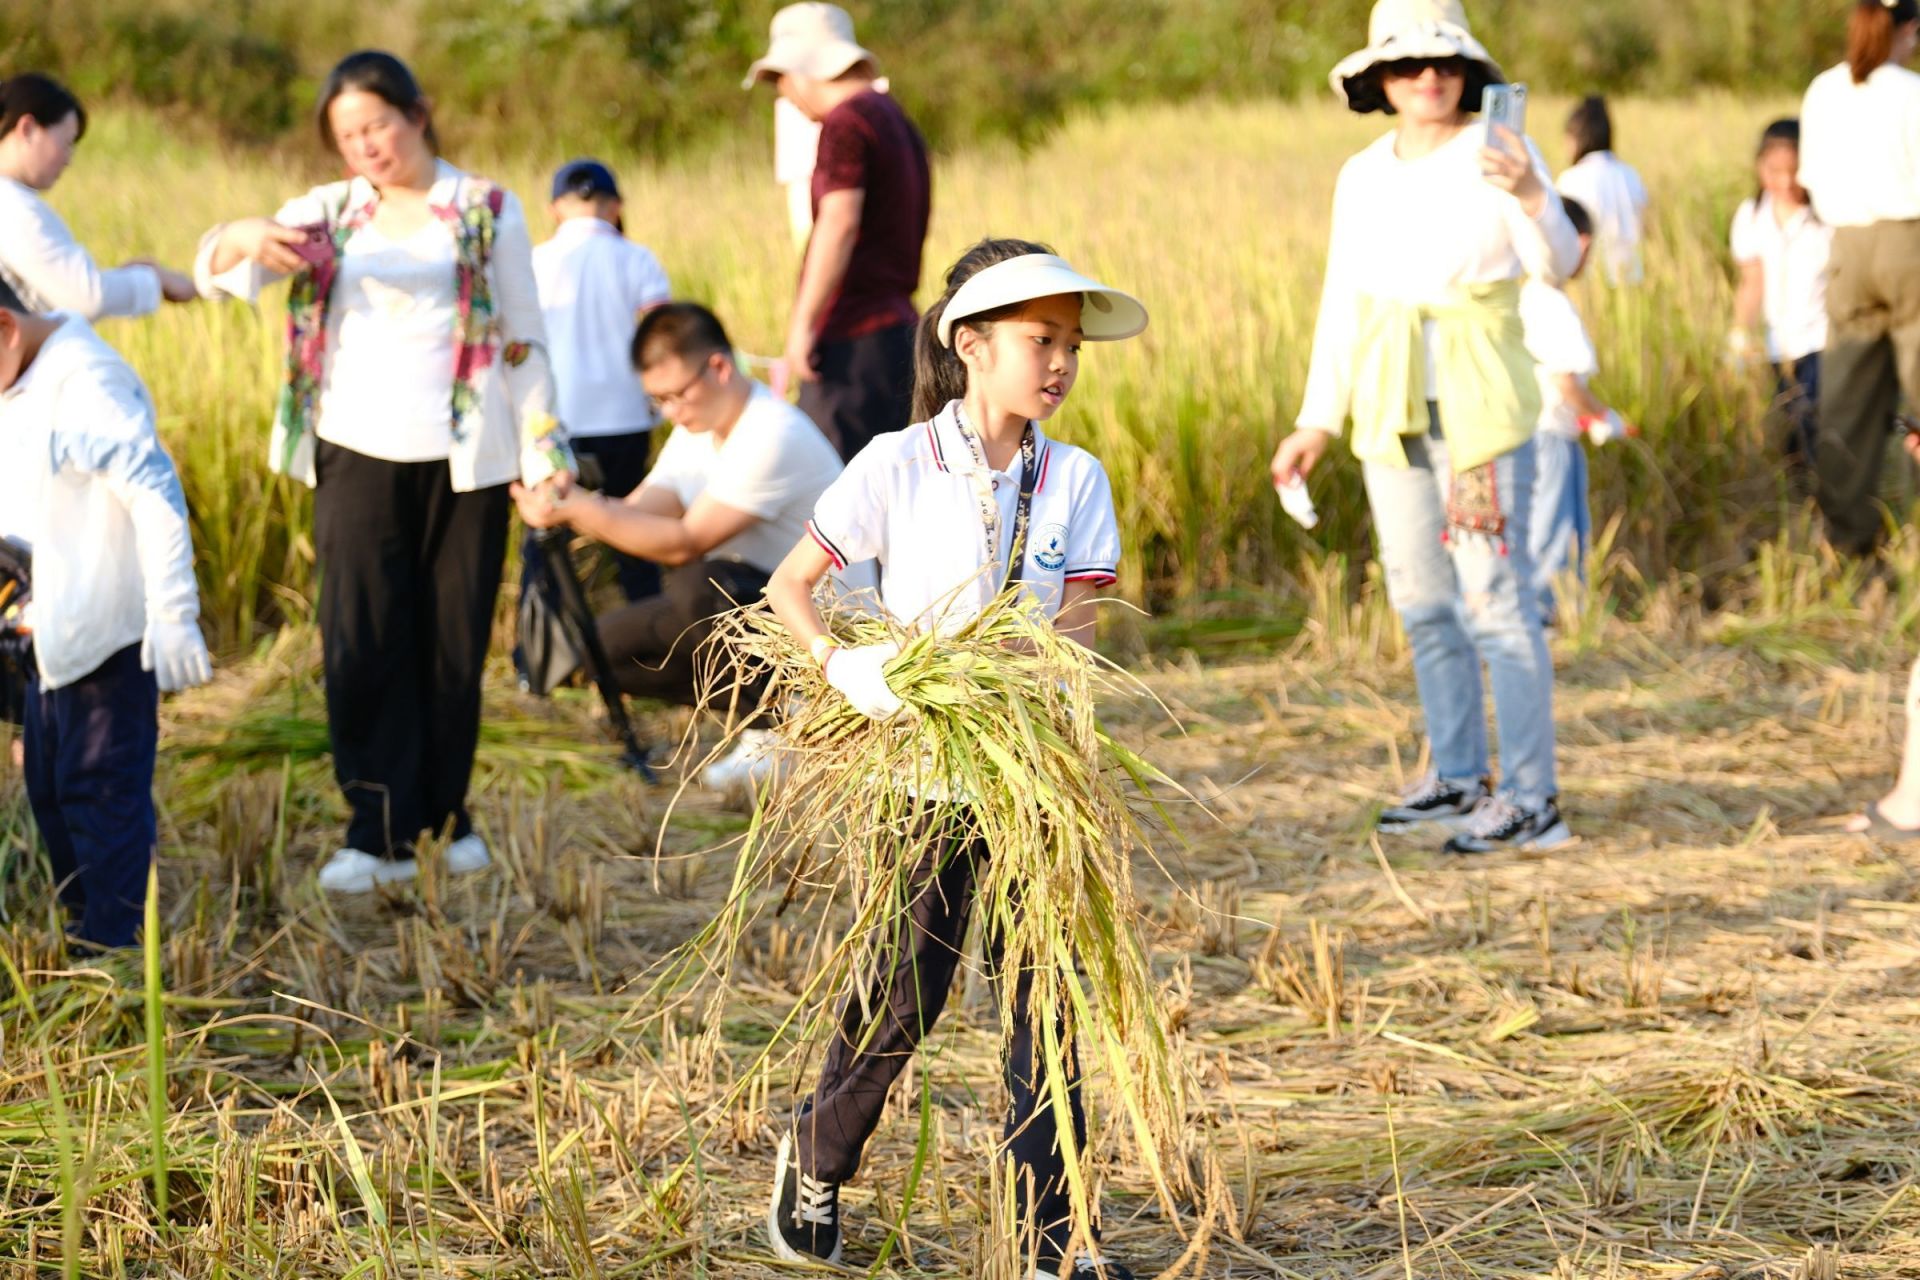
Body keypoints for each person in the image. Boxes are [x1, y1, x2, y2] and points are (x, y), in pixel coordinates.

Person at [759, 238, 1143, 1278]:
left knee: (1043, 1004)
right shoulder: (896, 461)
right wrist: (847, 669)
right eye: (1039, 341)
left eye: (1071, 345)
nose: (1060, 362)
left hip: (1034, 780)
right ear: (970, 344)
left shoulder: (1077, 477)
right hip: (919, 776)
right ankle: (819, 1150)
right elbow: (790, 587)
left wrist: (1036, 667)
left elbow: (1086, 620)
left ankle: (1050, 1238)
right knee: (905, 994)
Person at [194, 51, 574, 895]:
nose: (366, 145)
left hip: (469, 457)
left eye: (377, 125)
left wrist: (547, 455)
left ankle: (446, 815)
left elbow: (523, 338)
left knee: (453, 638)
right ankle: (376, 829)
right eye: (347, 134)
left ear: (419, 112)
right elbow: (214, 274)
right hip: (354, 446)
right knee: (362, 637)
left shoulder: (487, 209)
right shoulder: (327, 213)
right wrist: (237, 235)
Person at [1269, 0, 1582, 854]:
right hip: (1387, 397)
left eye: (1444, 63)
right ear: (1380, 80)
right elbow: (1343, 299)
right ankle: (1455, 774)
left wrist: (1527, 189)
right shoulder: (1363, 173)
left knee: (1497, 603)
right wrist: (1315, 420)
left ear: (1469, 71)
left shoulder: (1501, 153)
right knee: (1424, 599)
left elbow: (1560, 263)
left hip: (1482, 398)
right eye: (1408, 66)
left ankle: (1530, 797)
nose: (1429, 78)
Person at [511, 302, 843, 792]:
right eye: (658, 401)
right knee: (600, 653)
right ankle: (775, 713)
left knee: (697, 581)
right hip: (750, 607)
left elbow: (684, 542)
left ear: (719, 367)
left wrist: (580, 507)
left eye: (677, 396)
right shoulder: (698, 426)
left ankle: (779, 729)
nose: (670, 412)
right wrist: (563, 496)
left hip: (822, 619)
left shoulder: (773, 432)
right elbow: (641, 510)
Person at [0, 279, 213, 951]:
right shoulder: (22, 372)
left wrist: (172, 611)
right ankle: (82, 927)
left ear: (5, 327)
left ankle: (117, 953)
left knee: (100, 796)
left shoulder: (86, 383)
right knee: (50, 790)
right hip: (43, 635)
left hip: (103, 640)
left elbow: (152, 487)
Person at [745, 2, 931, 463]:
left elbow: (839, 221)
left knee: (830, 497)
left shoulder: (846, 123)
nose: (785, 97)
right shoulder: (898, 120)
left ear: (802, 69)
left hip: (852, 340)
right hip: (900, 336)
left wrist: (803, 328)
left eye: (781, 82)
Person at [1799, 0, 1920, 556]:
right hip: (1909, 244)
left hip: (1845, 249)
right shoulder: (1910, 92)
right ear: (1910, 28)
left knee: (1847, 401)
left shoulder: (1823, 90)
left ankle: (1846, 546)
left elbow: (1810, 181)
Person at [528, 157, 671, 607]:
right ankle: (648, 647)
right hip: (626, 418)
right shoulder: (637, 258)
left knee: (546, 540)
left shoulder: (535, 261)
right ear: (615, 207)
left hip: (553, 425)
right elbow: (661, 337)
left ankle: (537, 660)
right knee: (634, 540)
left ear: (555, 209)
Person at [0, 74, 197, 320]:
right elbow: (86, 298)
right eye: (65, 143)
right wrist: (153, 279)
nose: (68, 159)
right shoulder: (13, 208)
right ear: (27, 129)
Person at [1522, 196, 1630, 624]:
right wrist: (1604, 415)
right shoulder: (1554, 304)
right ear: (1579, 244)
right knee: (1555, 529)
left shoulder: (1526, 296)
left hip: (1534, 429)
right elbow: (1568, 382)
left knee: (1548, 525)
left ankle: (1554, 612)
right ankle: (1544, 615)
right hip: (1553, 438)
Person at [1729, 119, 1832, 465]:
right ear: (1760, 167)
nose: (1786, 182)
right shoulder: (1750, 216)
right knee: (1791, 423)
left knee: (1813, 421)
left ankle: (1823, 501)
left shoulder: (1827, 218)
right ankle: (1800, 499)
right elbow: (1752, 282)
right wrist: (1740, 335)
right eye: (1776, 171)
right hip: (1778, 346)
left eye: (1795, 171)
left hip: (1821, 339)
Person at [1555, 95, 1648, 286]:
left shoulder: (1570, 179)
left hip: (1592, 284)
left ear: (1578, 138)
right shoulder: (1631, 175)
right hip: (1632, 280)